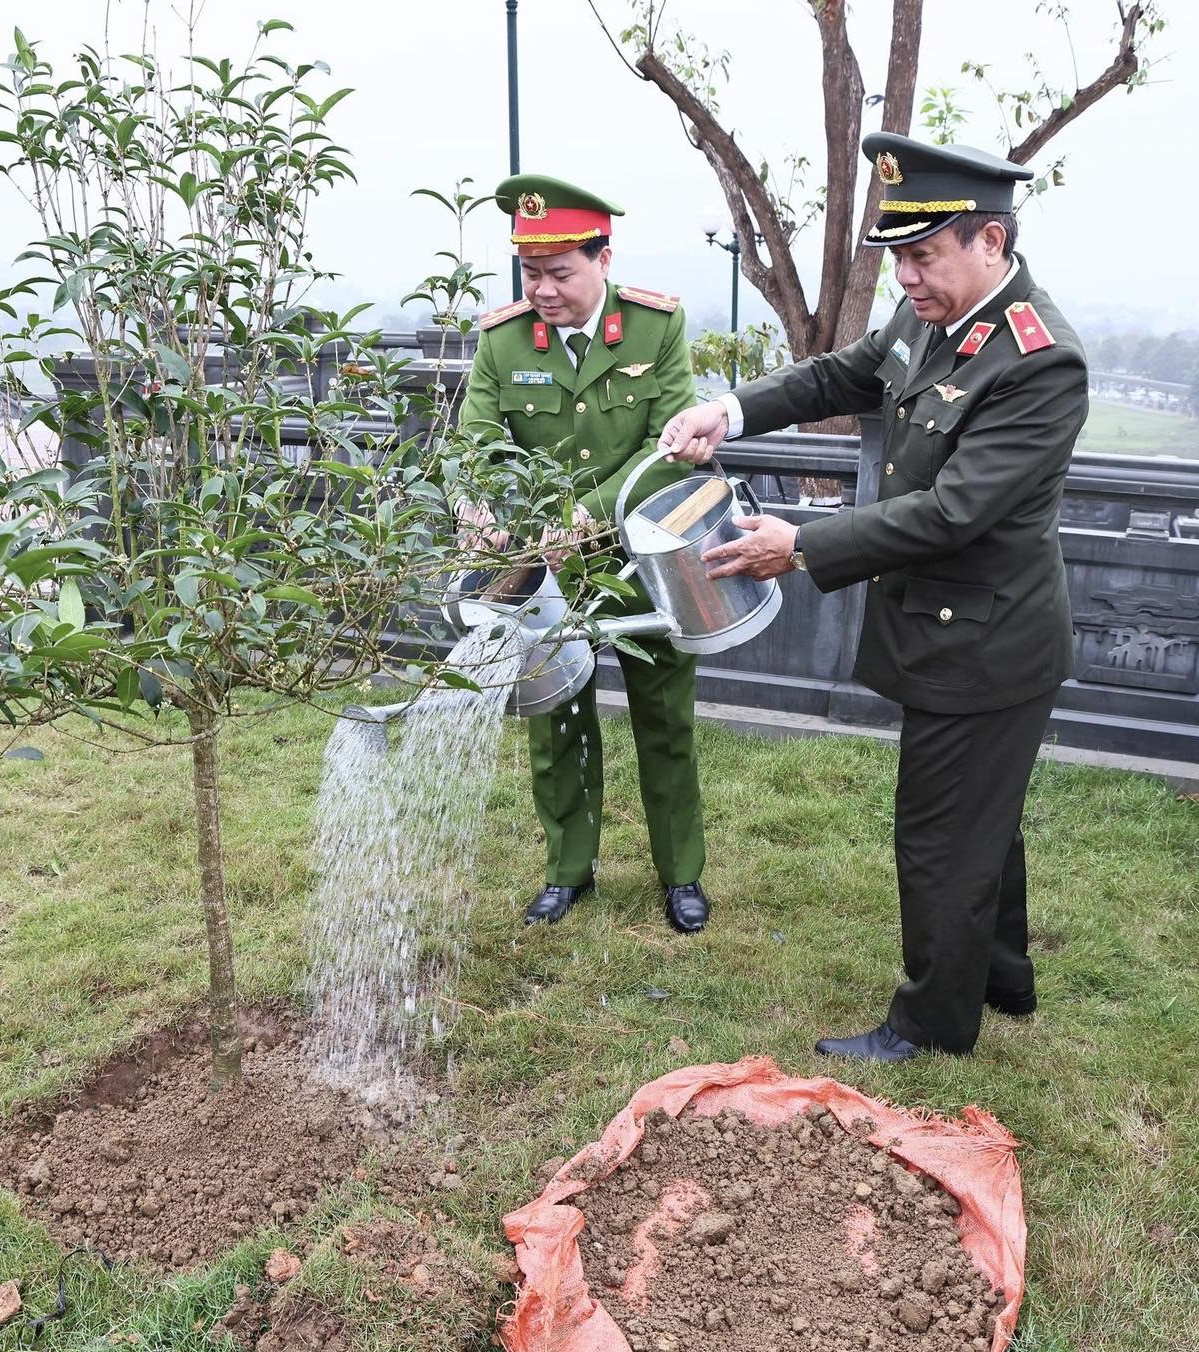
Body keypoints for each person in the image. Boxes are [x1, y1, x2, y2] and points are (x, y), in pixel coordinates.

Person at [659, 135, 1088, 1060]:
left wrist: (804, 546)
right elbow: (839, 375)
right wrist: (726, 411)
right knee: (985, 823)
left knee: (941, 838)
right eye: (899, 258)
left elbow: (954, 511)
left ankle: (930, 1026)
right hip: (952, 629)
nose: (907, 278)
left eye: (924, 256)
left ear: (992, 243)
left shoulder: (1038, 363)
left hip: (987, 645)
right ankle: (1003, 981)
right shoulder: (933, 316)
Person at [458, 174, 712, 934]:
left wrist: (586, 515)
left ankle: (681, 875)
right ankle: (569, 868)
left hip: (641, 560)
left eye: (561, 273)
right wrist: (477, 504)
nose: (543, 290)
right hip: (543, 569)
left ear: (603, 259)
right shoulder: (501, 340)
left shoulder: (654, 327)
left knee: (664, 716)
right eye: (531, 273)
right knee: (554, 717)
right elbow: (476, 442)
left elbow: (670, 451)